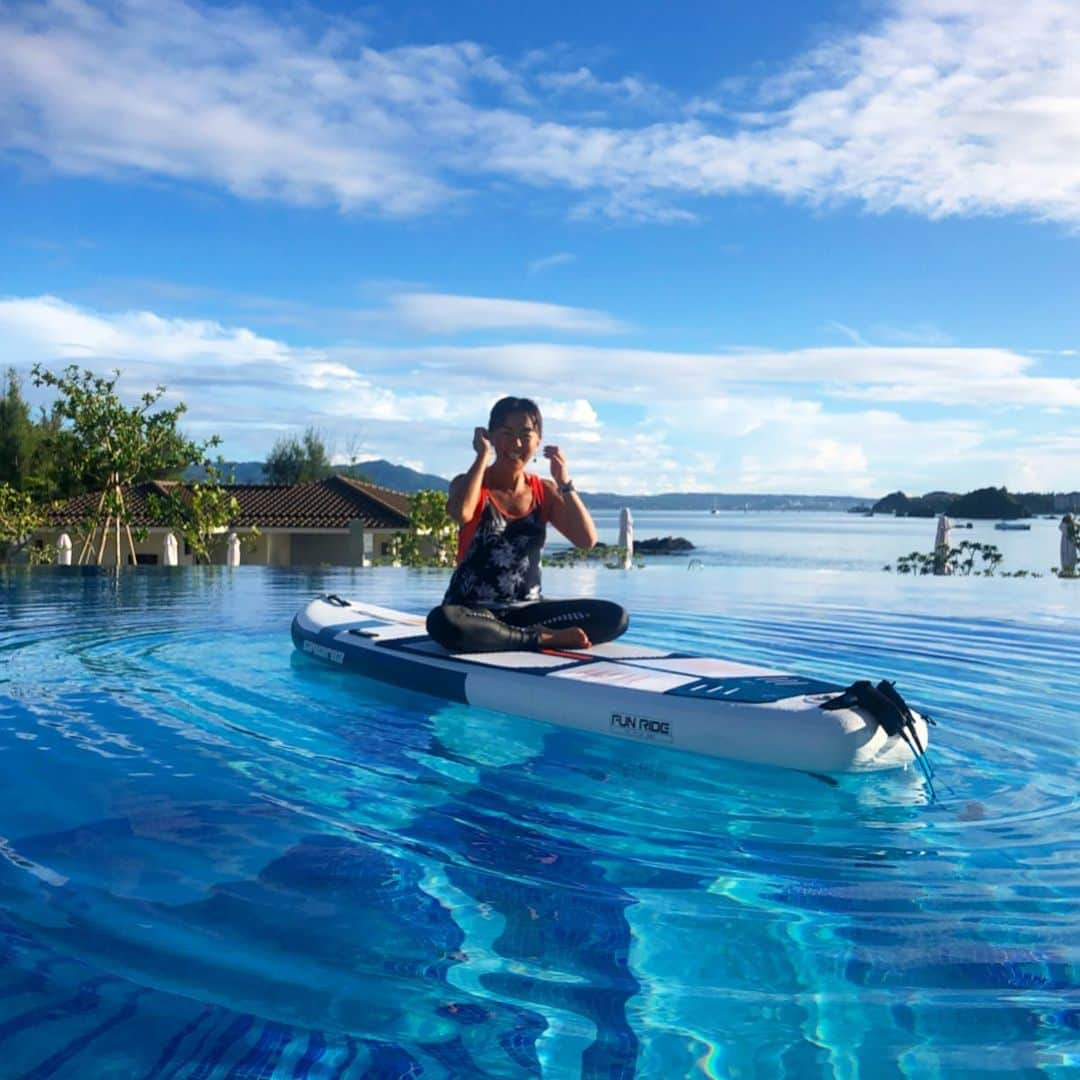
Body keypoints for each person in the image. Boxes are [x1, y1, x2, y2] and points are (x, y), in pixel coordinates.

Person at [426, 396, 629, 652]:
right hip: (473, 612)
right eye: (507, 433)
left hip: (529, 612)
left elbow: (586, 540)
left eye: (526, 434)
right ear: (491, 436)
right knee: (442, 622)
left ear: (538, 442)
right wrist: (482, 457)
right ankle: (542, 639)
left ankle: (523, 636)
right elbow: (461, 513)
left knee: (614, 617)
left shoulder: (545, 490)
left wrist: (564, 482)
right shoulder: (470, 483)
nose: (517, 443)